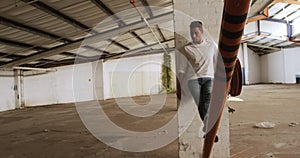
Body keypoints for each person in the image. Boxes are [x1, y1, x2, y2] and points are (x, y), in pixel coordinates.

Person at [177, 21, 219, 142]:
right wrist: (180, 86)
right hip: (193, 80)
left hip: (209, 78)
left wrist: (222, 82)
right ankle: (210, 130)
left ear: (202, 32)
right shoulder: (187, 48)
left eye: (196, 33)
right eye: (192, 34)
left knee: (205, 103)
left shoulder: (212, 46)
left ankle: (208, 129)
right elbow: (182, 68)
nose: (194, 36)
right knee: (200, 103)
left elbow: (218, 64)